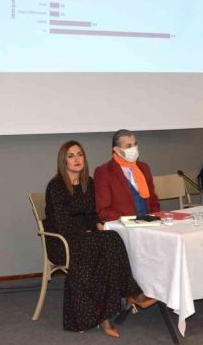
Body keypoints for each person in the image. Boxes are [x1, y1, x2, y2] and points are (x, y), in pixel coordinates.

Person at [44, 141, 156, 337]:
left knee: (111, 237)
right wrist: (88, 233)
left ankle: (125, 301)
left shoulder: (89, 182)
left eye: (80, 154)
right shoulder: (56, 186)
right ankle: (116, 308)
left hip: (86, 238)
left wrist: (97, 225)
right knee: (100, 244)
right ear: (63, 161)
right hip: (62, 241)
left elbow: (91, 214)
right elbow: (61, 223)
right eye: (71, 156)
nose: (77, 159)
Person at [94, 129, 160, 221]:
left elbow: (153, 200)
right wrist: (127, 220)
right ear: (117, 150)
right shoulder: (104, 172)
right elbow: (103, 210)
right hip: (123, 224)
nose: (134, 148)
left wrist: (154, 218)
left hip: (149, 222)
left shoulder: (144, 168)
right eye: (129, 146)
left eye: (135, 144)